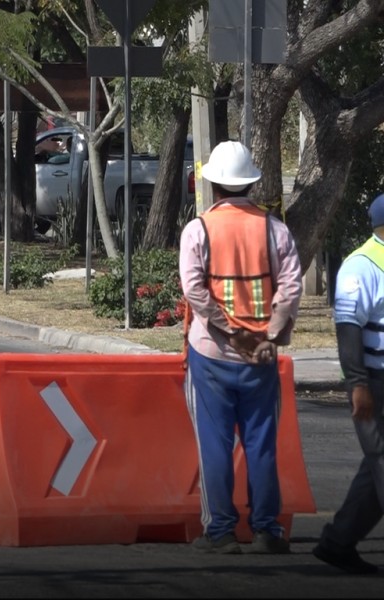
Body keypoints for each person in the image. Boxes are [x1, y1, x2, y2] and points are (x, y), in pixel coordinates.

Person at [178, 140, 303, 554]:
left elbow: (194, 290)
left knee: (214, 444)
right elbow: (290, 287)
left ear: (213, 184)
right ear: (249, 184)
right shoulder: (274, 229)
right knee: (260, 443)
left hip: (211, 356)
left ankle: (221, 533)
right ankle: (268, 529)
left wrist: (227, 330)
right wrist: (269, 335)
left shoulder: (198, 229)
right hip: (260, 361)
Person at [311, 193, 384, 575]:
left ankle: (337, 543)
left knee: (375, 473)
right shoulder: (361, 266)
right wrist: (357, 384)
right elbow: (348, 330)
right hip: (374, 381)